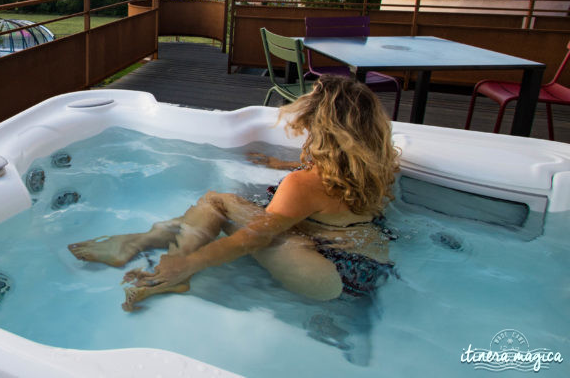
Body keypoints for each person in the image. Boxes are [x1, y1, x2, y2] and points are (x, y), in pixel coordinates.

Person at [67, 75, 399, 311]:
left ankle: (169, 272)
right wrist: (282, 165)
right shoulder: (381, 165)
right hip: (366, 271)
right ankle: (139, 242)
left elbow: (250, 239)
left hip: (327, 277)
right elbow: (330, 199)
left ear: (320, 126)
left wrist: (190, 263)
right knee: (236, 211)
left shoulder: (305, 184)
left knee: (218, 202)